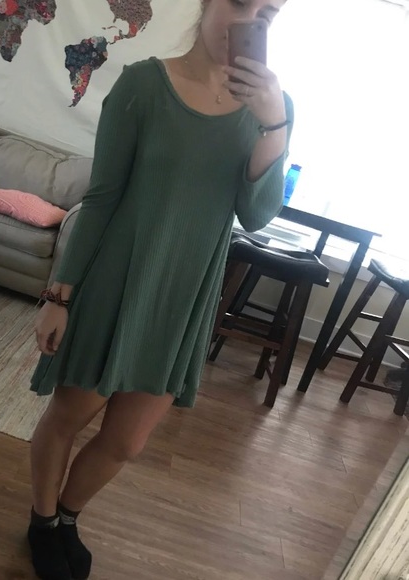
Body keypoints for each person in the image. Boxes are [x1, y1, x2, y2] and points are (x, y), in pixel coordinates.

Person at [27, 0, 291, 578]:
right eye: (241, 1)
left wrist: (275, 124)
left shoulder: (272, 109)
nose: (252, 20)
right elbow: (101, 198)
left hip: (183, 299)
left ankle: (68, 516)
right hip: (116, 283)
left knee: (126, 442)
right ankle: (42, 522)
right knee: (69, 415)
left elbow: (257, 215)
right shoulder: (143, 86)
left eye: (269, 11)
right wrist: (59, 296)